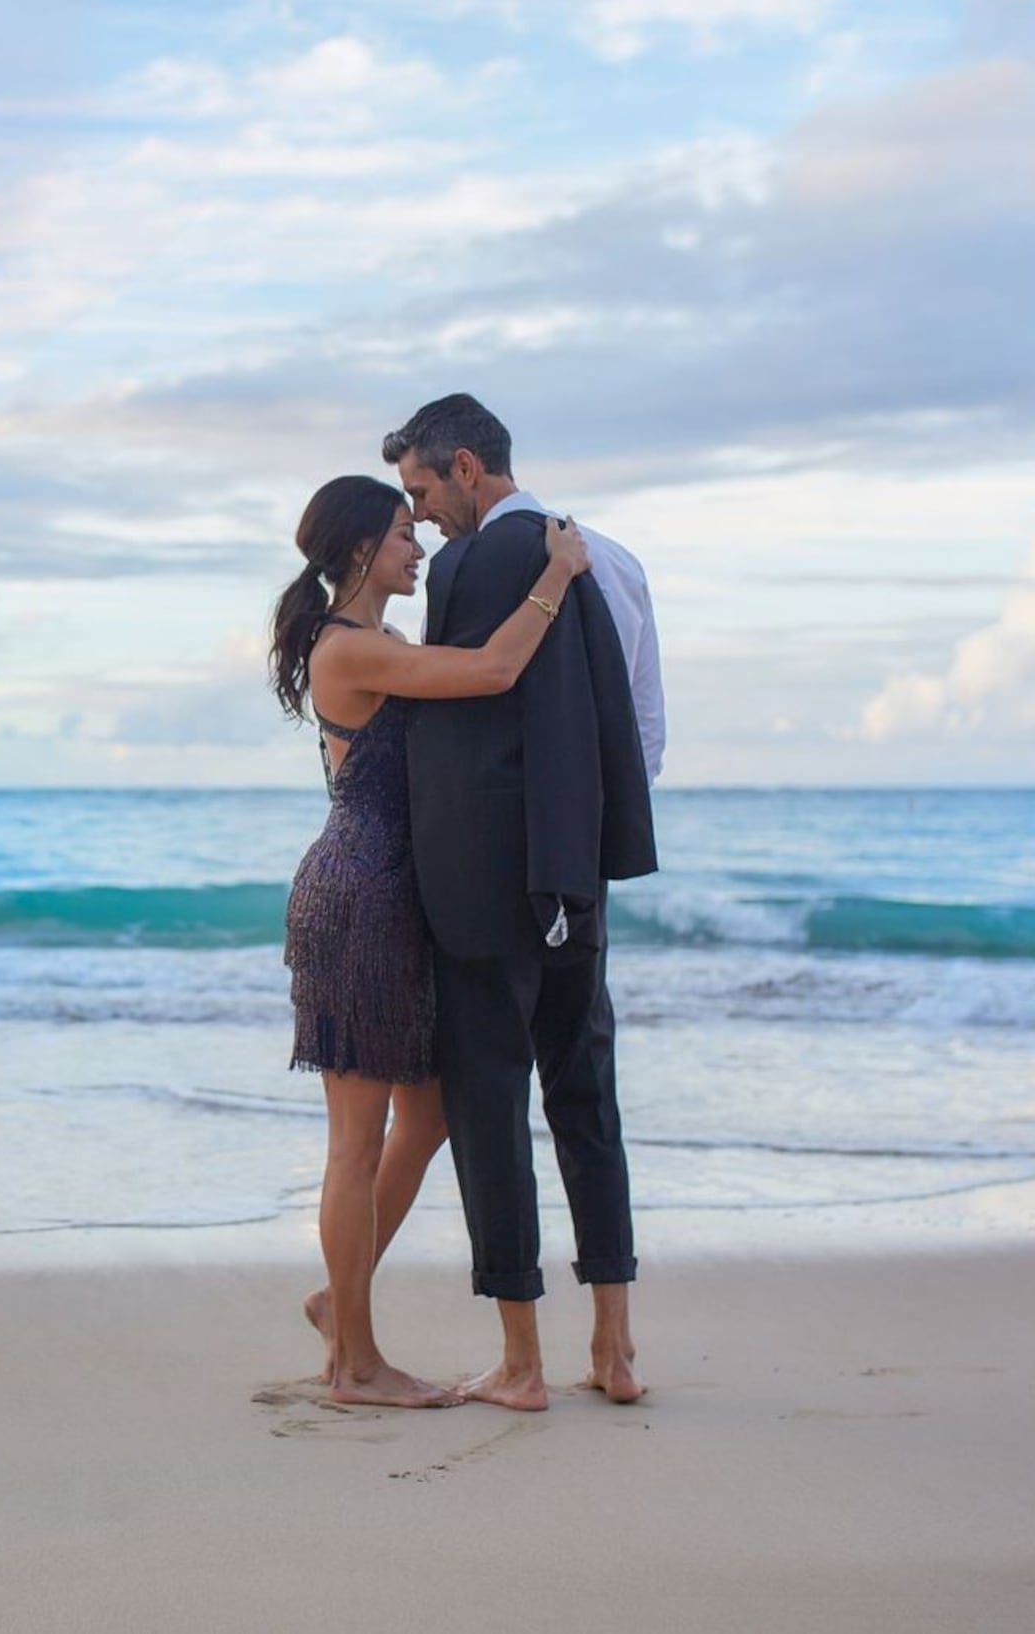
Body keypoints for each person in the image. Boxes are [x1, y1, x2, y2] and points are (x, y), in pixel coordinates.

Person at [268, 473, 590, 1409]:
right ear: (364, 548)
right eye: (407, 535)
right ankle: (357, 1366)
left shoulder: (380, 642)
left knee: (432, 1114)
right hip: (359, 899)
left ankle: (341, 1303)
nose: (421, 549)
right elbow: (492, 670)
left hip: (397, 898)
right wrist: (557, 574)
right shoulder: (348, 650)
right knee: (355, 1142)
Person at [383, 393, 662, 1410]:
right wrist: (578, 844)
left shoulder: (466, 566)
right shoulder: (613, 557)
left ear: (465, 466)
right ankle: (616, 1351)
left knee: (491, 1107)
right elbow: (641, 726)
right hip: (576, 877)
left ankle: (520, 1362)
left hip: (481, 884)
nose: (420, 519)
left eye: (420, 491)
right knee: (586, 1101)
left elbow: (454, 721)